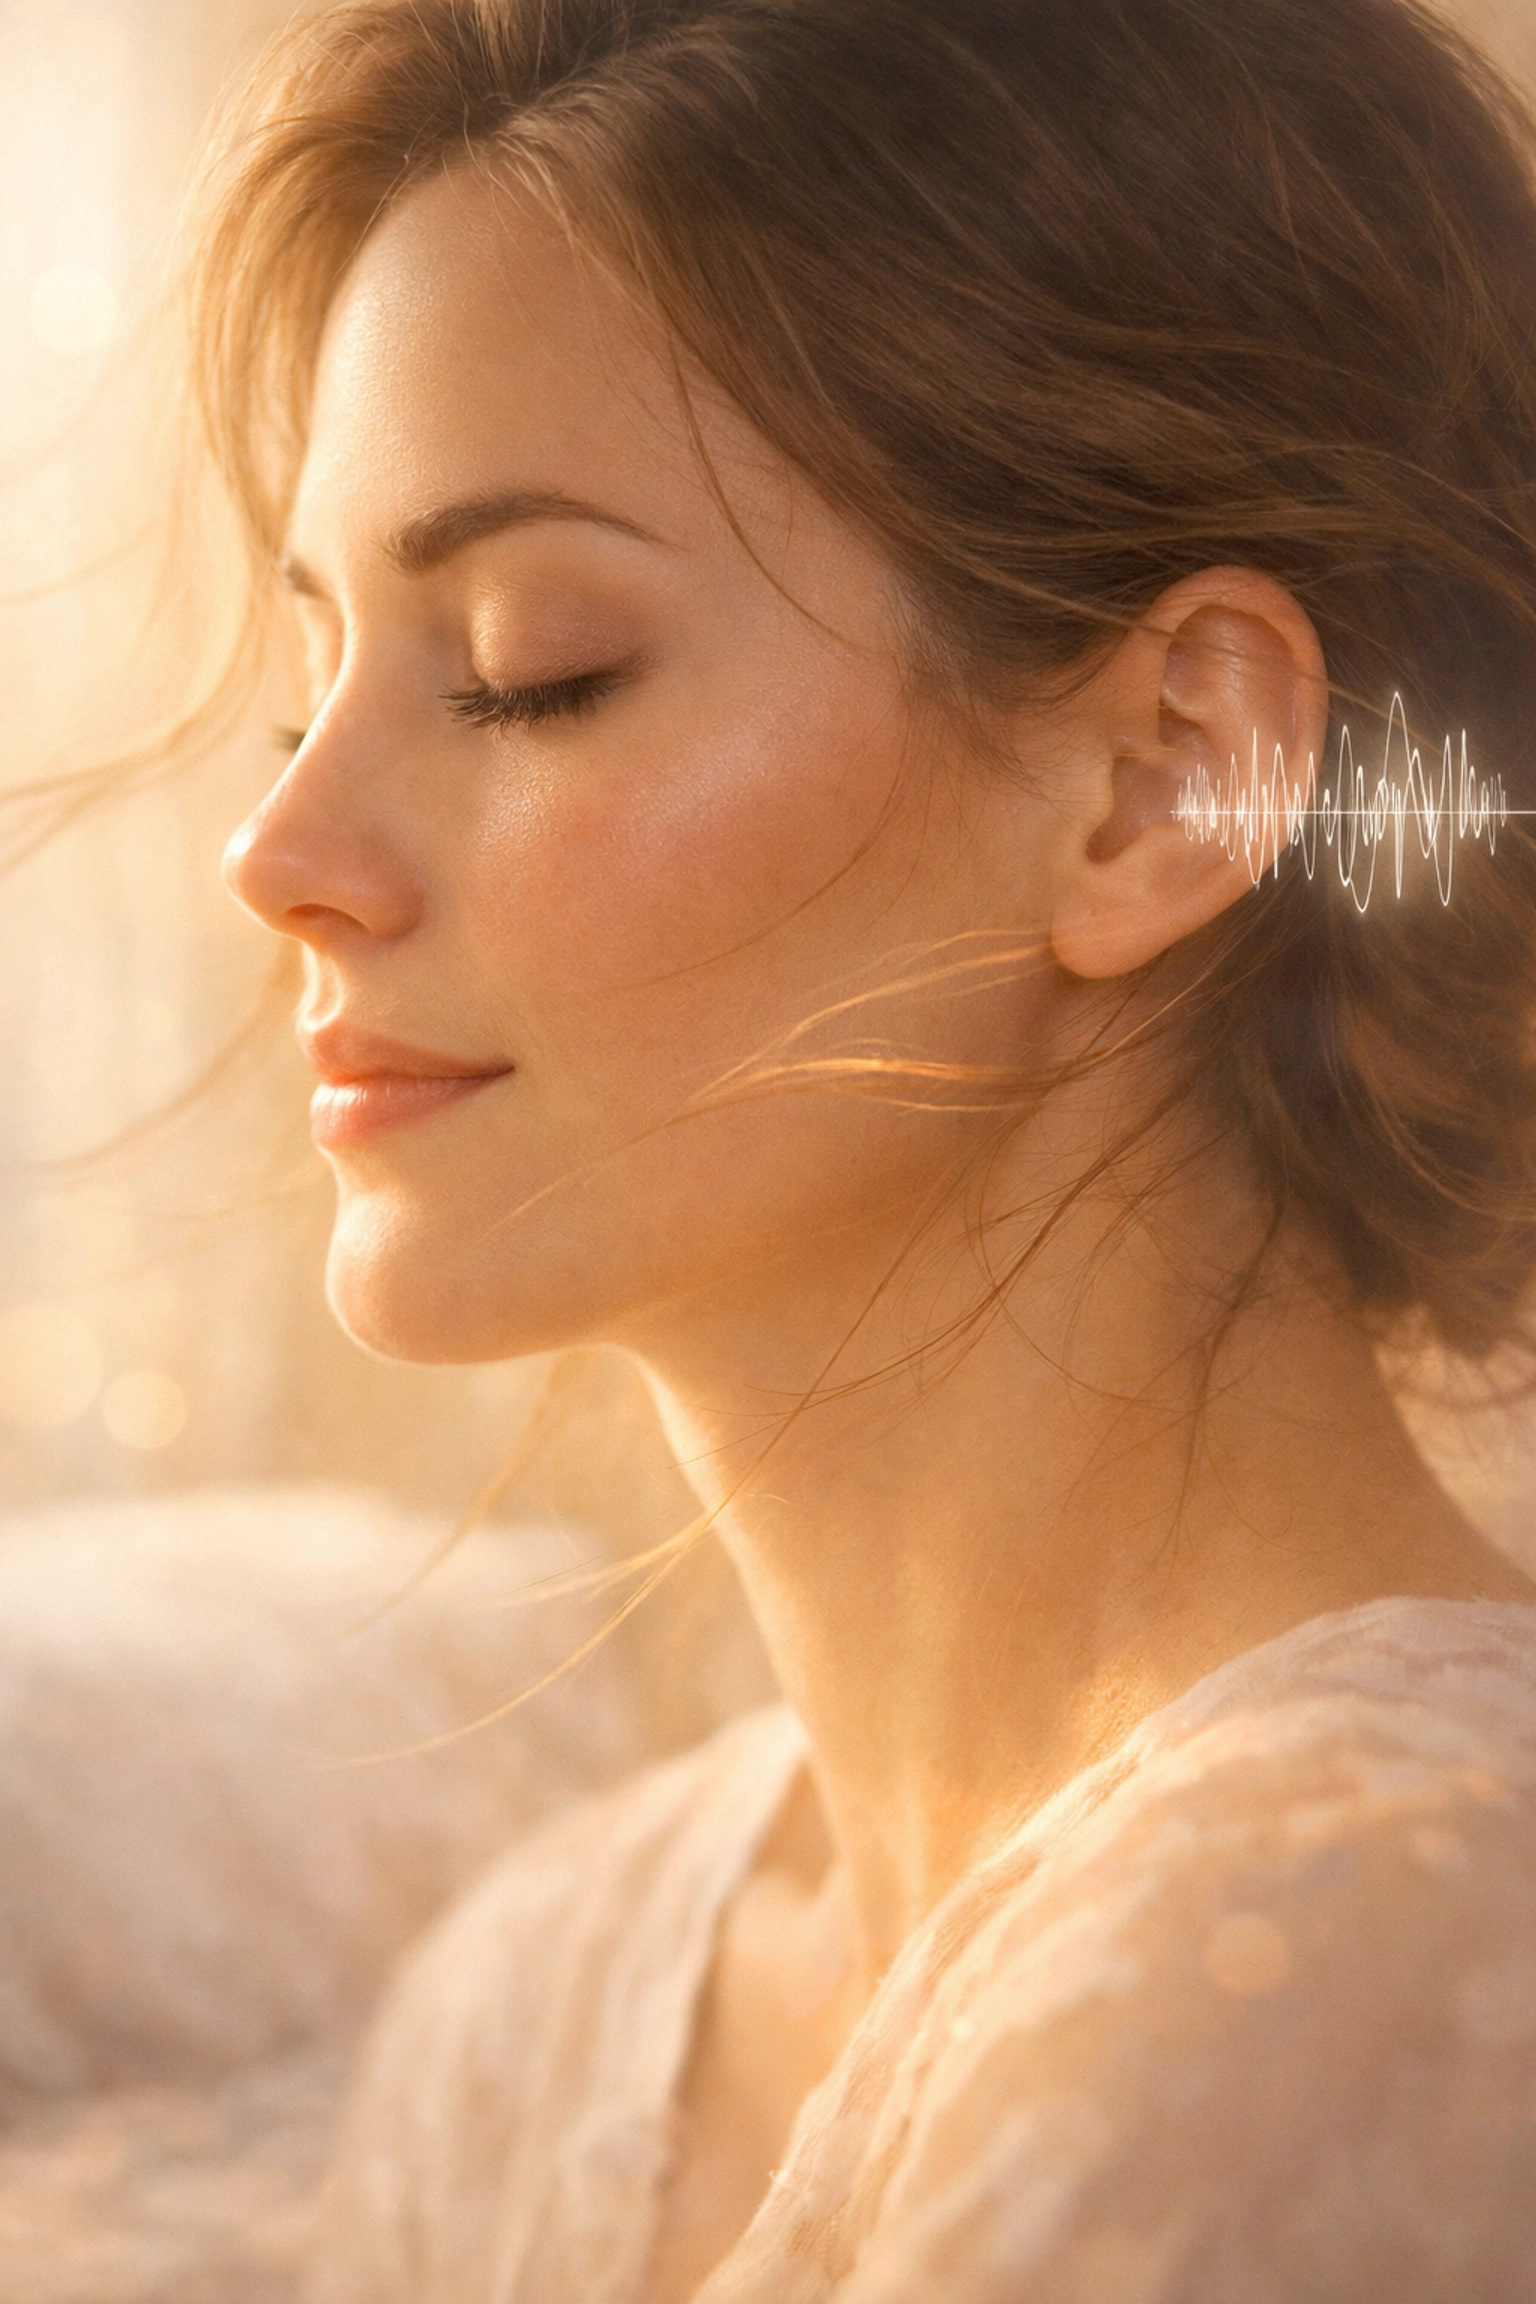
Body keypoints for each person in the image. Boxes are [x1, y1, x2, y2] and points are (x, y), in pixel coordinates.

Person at [194, 0, 1536, 2292]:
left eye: (531, 664)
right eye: (318, 674)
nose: (279, 848)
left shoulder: (1359, 1959)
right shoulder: (536, 2013)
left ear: (1165, 774)